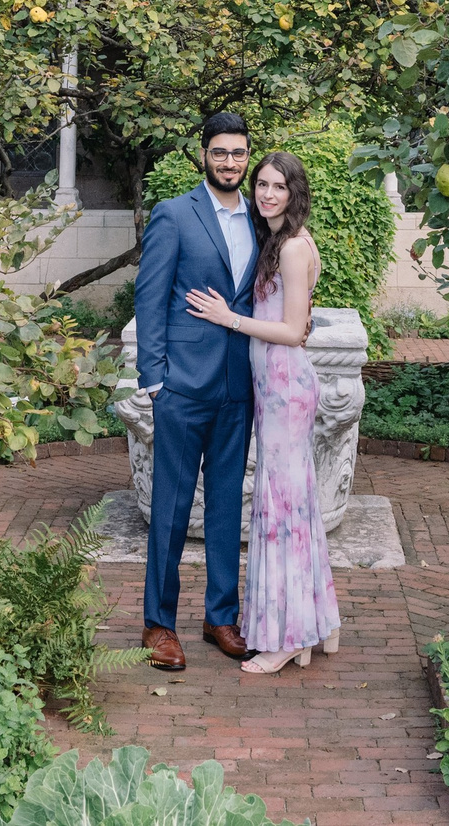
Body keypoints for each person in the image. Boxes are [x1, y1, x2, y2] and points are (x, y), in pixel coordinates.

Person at [185, 150, 341, 673]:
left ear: (296, 194)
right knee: (292, 507)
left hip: (285, 388)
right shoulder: (277, 242)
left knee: (281, 512)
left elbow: (294, 331)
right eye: (262, 185)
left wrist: (230, 319)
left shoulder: (294, 248)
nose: (268, 194)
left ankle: (287, 637)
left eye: (279, 186)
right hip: (271, 388)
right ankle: (316, 621)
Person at [133, 112, 260, 670]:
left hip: (239, 386)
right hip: (182, 386)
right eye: (220, 152)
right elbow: (149, 298)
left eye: (238, 153)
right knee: (171, 507)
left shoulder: (263, 218)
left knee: (229, 507)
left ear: (247, 157)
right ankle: (159, 625)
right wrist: (155, 380)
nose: (229, 162)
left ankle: (220, 618)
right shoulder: (174, 215)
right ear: (203, 155)